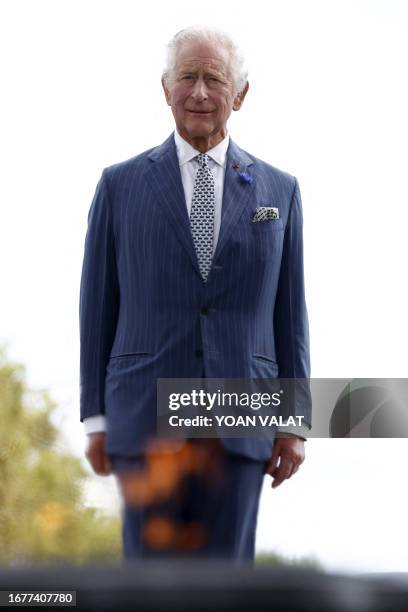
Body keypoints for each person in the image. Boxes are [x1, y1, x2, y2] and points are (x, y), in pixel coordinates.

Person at [79, 25, 311, 562]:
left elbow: (290, 315)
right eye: (187, 77)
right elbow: (97, 308)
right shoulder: (119, 185)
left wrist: (294, 421)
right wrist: (97, 417)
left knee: (227, 585)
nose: (200, 93)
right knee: (148, 585)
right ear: (165, 87)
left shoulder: (282, 190)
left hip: (240, 419)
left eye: (214, 79)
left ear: (241, 93)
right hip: (143, 419)